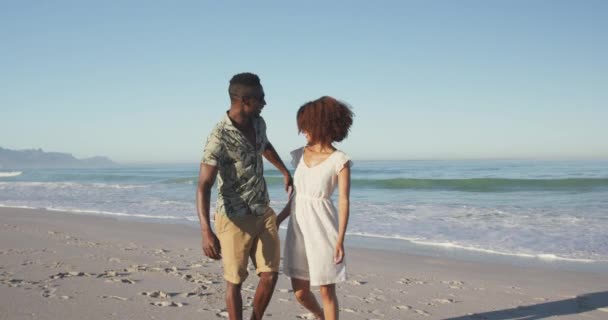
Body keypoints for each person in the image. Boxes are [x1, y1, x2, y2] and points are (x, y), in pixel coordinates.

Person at [196, 72, 293, 320]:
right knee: (235, 282)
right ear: (244, 100)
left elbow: (265, 146)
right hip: (234, 218)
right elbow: (204, 185)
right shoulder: (219, 136)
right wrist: (206, 231)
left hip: (263, 211)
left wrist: (284, 171)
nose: (265, 103)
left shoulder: (259, 123)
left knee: (270, 274)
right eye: (261, 98)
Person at [277, 96, 354, 320]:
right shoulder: (300, 154)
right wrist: (280, 218)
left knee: (326, 291)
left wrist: (340, 239)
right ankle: (319, 316)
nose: (303, 131)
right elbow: (297, 194)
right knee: (300, 292)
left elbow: (344, 201)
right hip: (298, 228)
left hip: (323, 230)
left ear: (322, 124)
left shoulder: (340, 160)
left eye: (307, 125)